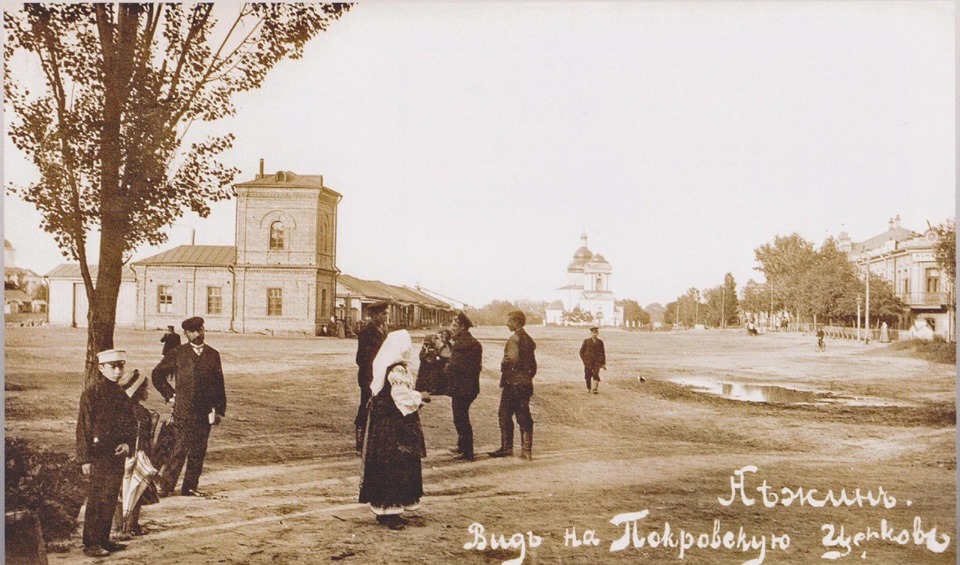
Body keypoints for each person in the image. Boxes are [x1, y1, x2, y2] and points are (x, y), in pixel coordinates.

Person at [359, 330, 430, 530]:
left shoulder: (386, 366)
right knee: (396, 466)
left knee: (385, 465)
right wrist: (420, 396)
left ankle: (387, 512)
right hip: (395, 425)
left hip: (384, 424)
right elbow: (402, 398)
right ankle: (390, 513)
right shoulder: (397, 370)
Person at [152, 316, 227, 497]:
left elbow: (219, 383)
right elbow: (157, 375)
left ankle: (190, 487)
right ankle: (167, 486)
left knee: (199, 450)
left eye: (200, 330)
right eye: (192, 331)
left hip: (205, 411)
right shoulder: (178, 353)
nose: (197, 334)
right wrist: (171, 395)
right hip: (183, 410)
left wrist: (219, 409)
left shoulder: (213, 354)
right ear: (185, 334)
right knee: (179, 449)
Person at [76, 349, 137, 557]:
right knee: (97, 498)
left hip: (116, 453)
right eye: (113, 366)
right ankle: (91, 543)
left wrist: (128, 444)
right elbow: (83, 428)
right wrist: (84, 459)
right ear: (101, 368)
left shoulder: (121, 394)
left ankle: (103, 538)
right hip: (98, 454)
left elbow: (130, 424)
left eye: (121, 366)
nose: (118, 371)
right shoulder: (91, 395)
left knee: (110, 495)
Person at [114, 370, 160, 538]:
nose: (148, 392)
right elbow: (142, 441)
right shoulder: (141, 413)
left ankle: (120, 525)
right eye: (146, 388)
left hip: (120, 457)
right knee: (135, 490)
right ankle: (129, 526)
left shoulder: (119, 408)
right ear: (137, 390)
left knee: (121, 492)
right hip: (135, 456)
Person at [488, 311, 538, 461]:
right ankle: (526, 451)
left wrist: (505, 367)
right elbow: (533, 366)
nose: (507, 324)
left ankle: (507, 448)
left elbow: (510, 360)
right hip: (525, 384)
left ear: (517, 322)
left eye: (510, 321)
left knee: (504, 414)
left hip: (513, 384)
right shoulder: (528, 339)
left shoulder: (513, 339)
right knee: (524, 416)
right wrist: (526, 377)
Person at [440, 312, 482, 460]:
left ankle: (467, 452)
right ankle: (462, 446)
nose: (452, 328)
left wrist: (442, 366)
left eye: (455, 326)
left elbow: (453, 367)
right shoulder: (472, 342)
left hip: (462, 389)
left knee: (460, 418)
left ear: (463, 327)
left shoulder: (461, 344)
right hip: (470, 387)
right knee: (461, 416)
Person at [354, 302, 389, 455]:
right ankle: (360, 439)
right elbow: (361, 359)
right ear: (374, 316)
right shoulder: (366, 333)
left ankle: (373, 440)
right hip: (369, 376)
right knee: (366, 405)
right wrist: (372, 374)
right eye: (383, 314)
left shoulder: (383, 331)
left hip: (380, 375)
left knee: (379, 406)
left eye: (386, 314)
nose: (385, 317)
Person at [579, 326, 606, 394]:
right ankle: (589, 388)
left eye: (596, 332)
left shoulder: (600, 342)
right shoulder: (586, 341)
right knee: (588, 375)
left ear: (598, 333)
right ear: (591, 333)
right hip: (588, 361)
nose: (595, 334)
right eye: (593, 332)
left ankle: (595, 389)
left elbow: (602, 353)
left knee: (596, 373)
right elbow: (581, 352)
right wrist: (584, 360)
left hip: (597, 361)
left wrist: (603, 363)